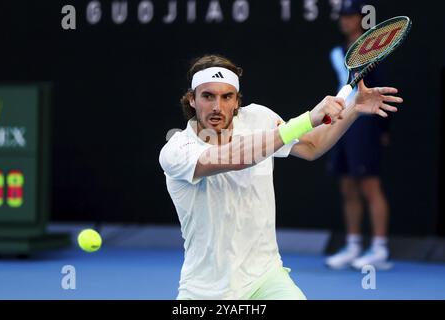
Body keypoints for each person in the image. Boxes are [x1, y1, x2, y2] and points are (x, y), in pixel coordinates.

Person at [159, 54, 402, 299]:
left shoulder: (259, 118)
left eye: (226, 96)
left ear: (236, 101)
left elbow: (312, 146)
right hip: (205, 290)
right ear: (192, 99)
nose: (216, 107)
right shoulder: (177, 150)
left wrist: (353, 108)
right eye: (207, 96)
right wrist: (307, 119)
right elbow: (235, 157)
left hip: (266, 279)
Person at [325, 0, 393, 270]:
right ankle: (353, 245)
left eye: (350, 16)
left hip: (365, 124)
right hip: (341, 122)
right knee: (347, 185)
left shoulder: (374, 52)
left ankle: (379, 249)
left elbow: (382, 91)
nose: (345, 20)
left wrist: (384, 128)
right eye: (342, 16)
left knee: (369, 185)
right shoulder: (335, 52)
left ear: (361, 19)